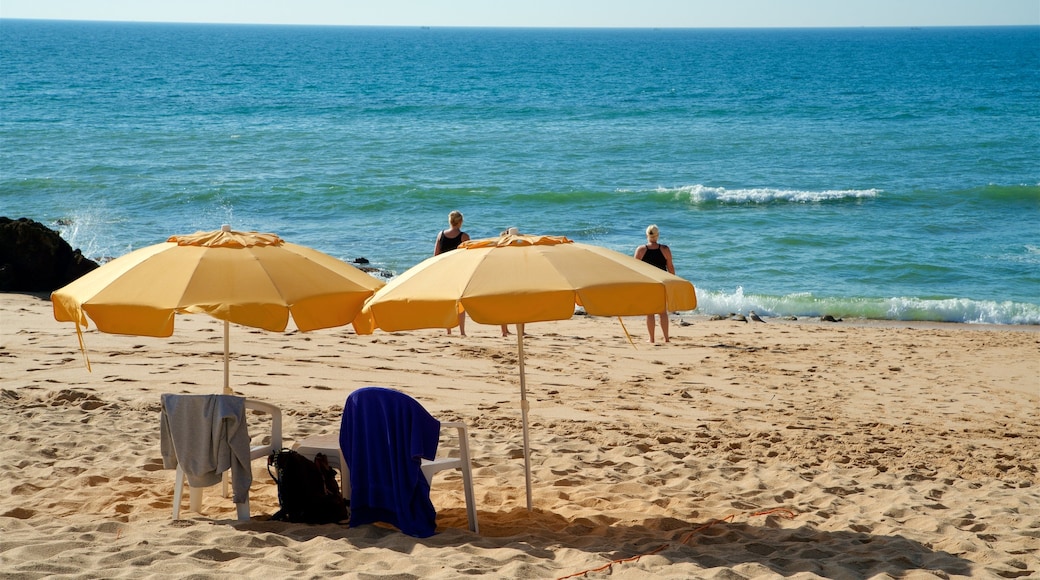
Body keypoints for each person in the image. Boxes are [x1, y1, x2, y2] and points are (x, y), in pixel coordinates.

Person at [634, 224, 675, 344]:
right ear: (658, 235)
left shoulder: (641, 250)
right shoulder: (665, 249)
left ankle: (651, 339)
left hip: (648, 283)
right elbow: (670, 268)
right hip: (661, 282)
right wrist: (673, 282)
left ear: (647, 235)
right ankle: (666, 338)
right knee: (662, 312)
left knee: (650, 312)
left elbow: (635, 269)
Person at [435, 211, 470, 336]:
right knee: (460, 301)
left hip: (444, 271)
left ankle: (448, 330)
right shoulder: (464, 236)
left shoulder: (441, 234)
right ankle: (462, 332)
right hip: (459, 271)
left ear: (450, 221)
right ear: (460, 222)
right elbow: (469, 256)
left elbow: (436, 255)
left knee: (447, 300)